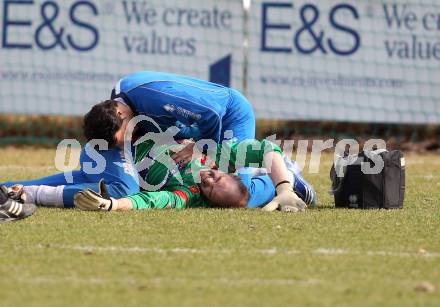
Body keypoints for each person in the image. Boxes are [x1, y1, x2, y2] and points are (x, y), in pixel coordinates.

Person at [74, 138, 307, 213]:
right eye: (216, 178)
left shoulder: (191, 193)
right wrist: (285, 186)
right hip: (136, 138)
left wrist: (113, 204)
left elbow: (153, 200)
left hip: (123, 160)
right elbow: (268, 149)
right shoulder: (221, 154)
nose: (207, 180)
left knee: (245, 201)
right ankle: (293, 180)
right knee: (259, 187)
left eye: (209, 189)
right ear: (233, 174)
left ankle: (298, 185)